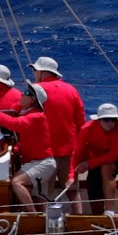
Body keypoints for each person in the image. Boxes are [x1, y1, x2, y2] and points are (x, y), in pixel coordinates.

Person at [30, 56, 85, 209]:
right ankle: (79, 219)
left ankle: (43, 221)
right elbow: (81, 121)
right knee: (72, 190)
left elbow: (24, 114)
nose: (33, 73)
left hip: (45, 151)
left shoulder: (36, 89)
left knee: (42, 193)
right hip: (69, 149)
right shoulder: (71, 90)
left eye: (35, 70)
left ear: (42, 72)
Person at [0, 82, 56, 212]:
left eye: (27, 93)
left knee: (17, 182)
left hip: (42, 163)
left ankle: (32, 217)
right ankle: (39, 218)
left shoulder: (36, 117)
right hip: (40, 162)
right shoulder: (31, 115)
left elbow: (14, 124)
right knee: (39, 198)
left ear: (33, 100)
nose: (22, 94)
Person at [66, 103, 118, 214]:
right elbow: (77, 153)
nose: (110, 123)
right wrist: (72, 176)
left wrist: (89, 164)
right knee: (92, 183)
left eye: (113, 120)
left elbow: (113, 155)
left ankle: (110, 210)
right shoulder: (86, 129)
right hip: (96, 157)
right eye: (106, 120)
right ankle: (97, 215)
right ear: (99, 120)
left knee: (106, 168)